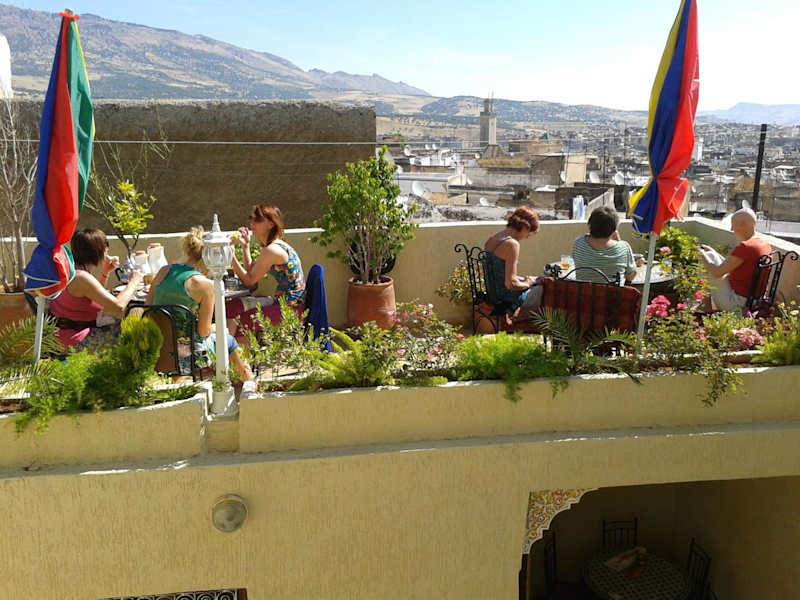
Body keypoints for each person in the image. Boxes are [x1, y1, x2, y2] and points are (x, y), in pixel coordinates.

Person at [147, 227, 253, 382]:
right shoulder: (205, 285)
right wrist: (216, 329)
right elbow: (203, 332)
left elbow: (149, 308)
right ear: (208, 257)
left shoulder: (164, 271)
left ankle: (177, 381)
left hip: (158, 347)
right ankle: (248, 383)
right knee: (228, 340)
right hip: (188, 353)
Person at [50, 228, 142, 351]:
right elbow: (118, 306)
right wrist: (134, 282)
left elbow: (93, 295)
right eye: (106, 247)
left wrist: (105, 272)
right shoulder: (81, 278)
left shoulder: (71, 271)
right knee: (135, 333)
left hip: (64, 336)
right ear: (99, 251)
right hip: (74, 341)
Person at [227, 204, 305, 334]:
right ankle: (229, 345)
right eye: (251, 219)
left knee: (243, 321)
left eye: (258, 219)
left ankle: (231, 346)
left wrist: (231, 256)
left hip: (291, 309)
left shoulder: (272, 250)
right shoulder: (272, 246)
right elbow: (251, 272)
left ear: (271, 224)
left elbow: (249, 281)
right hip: (282, 302)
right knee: (231, 307)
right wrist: (245, 247)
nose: (252, 223)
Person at [700, 207, 772, 311]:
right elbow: (731, 265)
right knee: (711, 255)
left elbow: (716, 273)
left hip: (737, 303)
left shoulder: (745, 247)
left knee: (707, 260)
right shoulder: (764, 244)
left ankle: (705, 307)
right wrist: (714, 252)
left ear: (742, 225)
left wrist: (701, 255)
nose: (732, 229)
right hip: (754, 301)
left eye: (733, 225)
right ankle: (704, 306)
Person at [483, 206, 541, 312]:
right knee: (545, 290)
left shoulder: (492, 239)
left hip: (492, 295)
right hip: (506, 299)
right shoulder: (512, 244)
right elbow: (510, 284)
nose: (528, 236)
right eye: (530, 232)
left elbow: (498, 273)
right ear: (525, 226)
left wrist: (524, 280)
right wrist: (528, 283)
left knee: (537, 282)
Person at [572, 206, 636, 285]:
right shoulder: (624, 248)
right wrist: (618, 240)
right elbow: (630, 276)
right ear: (614, 229)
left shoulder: (579, 243)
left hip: (584, 292)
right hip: (613, 293)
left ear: (589, 224)